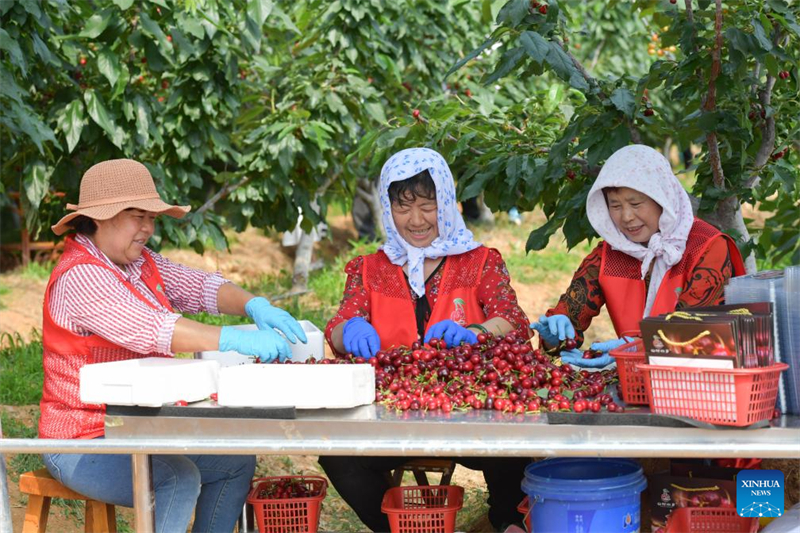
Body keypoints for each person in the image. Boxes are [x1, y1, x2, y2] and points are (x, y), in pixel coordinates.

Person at [41, 159, 308, 533]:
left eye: (151, 217)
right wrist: (235, 338)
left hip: (141, 431)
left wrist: (253, 304)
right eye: (137, 216)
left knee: (236, 462)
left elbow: (200, 287)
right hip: (84, 440)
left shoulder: (139, 263)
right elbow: (153, 328)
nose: (148, 228)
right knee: (176, 477)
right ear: (100, 218)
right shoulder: (81, 276)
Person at [320, 147, 530, 532]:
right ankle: (396, 527)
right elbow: (337, 328)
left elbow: (515, 323)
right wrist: (348, 329)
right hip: (392, 415)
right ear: (387, 208)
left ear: (447, 202)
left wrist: (475, 333)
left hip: (472, 413)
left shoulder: (480, 261)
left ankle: (506, 521)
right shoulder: (369, 269)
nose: (416, 220)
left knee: (515, 440)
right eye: (402, 208)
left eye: (428, 206)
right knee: (338, 456)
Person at [530, 144, 745, 366]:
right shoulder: (609, 255)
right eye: (615, 206)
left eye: (636, 204)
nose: (626, 217)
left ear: (662, 199)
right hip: (632, 383)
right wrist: (554, 335)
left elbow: (699, 334)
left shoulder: (706, 248)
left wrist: (635, 348)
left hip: (699, 386)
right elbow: (569, 317)